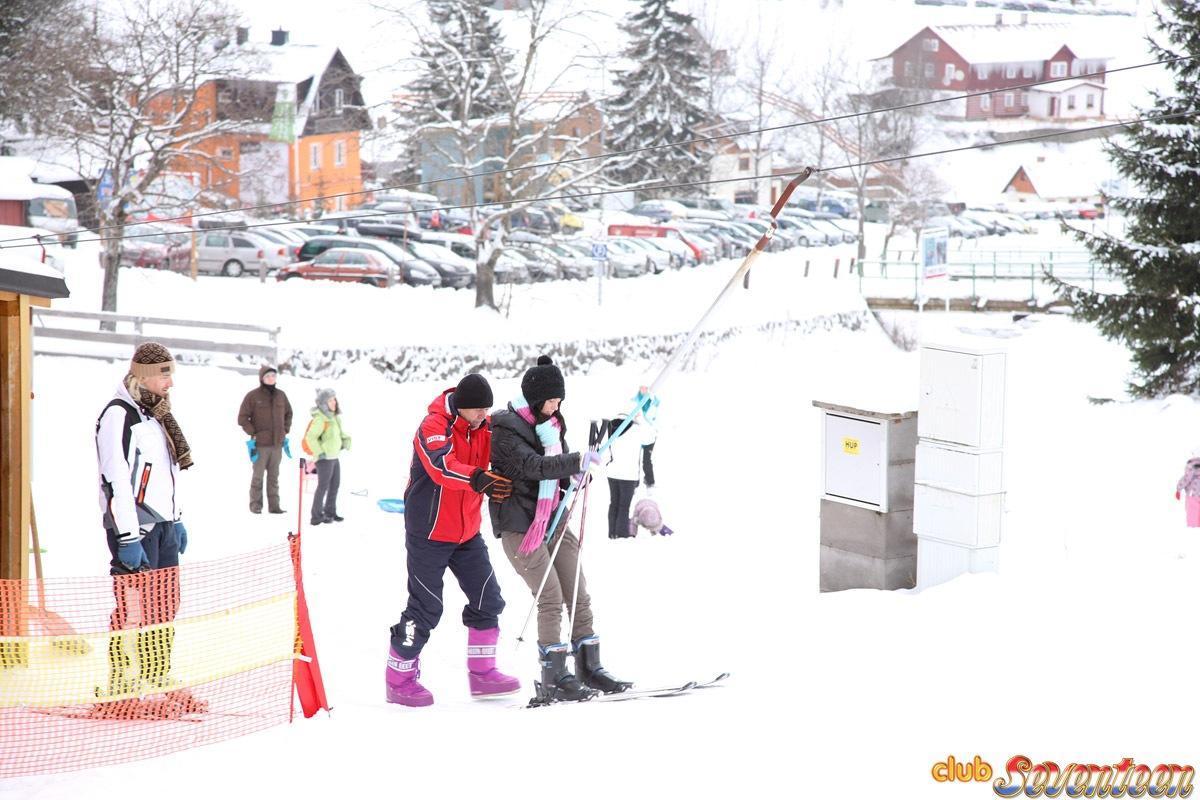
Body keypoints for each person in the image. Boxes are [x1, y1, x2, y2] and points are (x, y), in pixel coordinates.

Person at [490, 355, 630, 703]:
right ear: (536, 400)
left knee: (577, 592)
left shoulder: (551, 427)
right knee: (550, 596)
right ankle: (554, 674)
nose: (557, 407)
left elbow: (558, 470)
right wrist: (573, 461)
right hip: (521, 528)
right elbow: (533, 466)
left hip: (554, 520)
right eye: (553, 400)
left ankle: (589, 666)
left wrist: (577, 474)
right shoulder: (504, 430)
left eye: (559, 401)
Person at [385, 373, 521, 707]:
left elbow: (513, 441)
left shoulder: (485, 426)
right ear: (461, 407)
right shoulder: (433, 426)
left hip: (466, 533)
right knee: (425, 609)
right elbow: (442, 467)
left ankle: (483, 673)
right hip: (429, 533)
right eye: (477, 410)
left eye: (486, 410)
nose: (483, 415)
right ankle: (399, 678)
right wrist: (479, 478)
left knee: (489, 599)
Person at [95, 342, 192, 695]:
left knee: (165, 604)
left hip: (163, 526)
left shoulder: (157, 415)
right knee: (134, 607)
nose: (170, 383)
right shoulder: (119, 415)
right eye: (165, 376)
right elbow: (116, 478)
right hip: (135, 528)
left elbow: (166, 473)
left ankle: (156, 672)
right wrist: (127, 536)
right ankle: (122, 677)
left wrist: (176, 519)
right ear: (146, 376)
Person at [592, 405, 657, 539]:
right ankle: (621, 536)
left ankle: (612, 533)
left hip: (612, 472)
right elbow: (650, 437)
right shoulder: (636, 429)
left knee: (614, 503)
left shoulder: (610, 426)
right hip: (629, 474)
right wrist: (642, 420)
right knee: (624, 506)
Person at [238, 364, 293, 515]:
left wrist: (285, 430)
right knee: (258, 477)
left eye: (273, 376)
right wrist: (253, 433)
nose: (271, 378)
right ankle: (256, 505)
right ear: (262, 378)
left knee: (274, 477)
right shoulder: (253, 396)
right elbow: (242, 418)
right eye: (268, 376)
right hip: (260, 445)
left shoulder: (281, 395)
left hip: (277, 445)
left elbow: (289, 413)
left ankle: (274, 506)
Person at [303, 388, 350, 526]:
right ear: (324, 403)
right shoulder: (320, 419)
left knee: (334, 485)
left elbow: (339, 434)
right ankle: (316, 516)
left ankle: (330, 512)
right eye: (330, 400)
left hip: (334, 457)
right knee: (322, 487)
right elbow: (310, 437)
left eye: (334, 399)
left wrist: (345, 441)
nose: (334, 402)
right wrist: (319, 452)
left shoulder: (334, 418)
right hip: (324, 459)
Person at [1175, 450, 1200, 527]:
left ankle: (1193, 527)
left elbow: (1186, 479)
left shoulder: (1191, 465)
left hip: (1193, 493)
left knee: (1192, 511)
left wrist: (1178, 489)